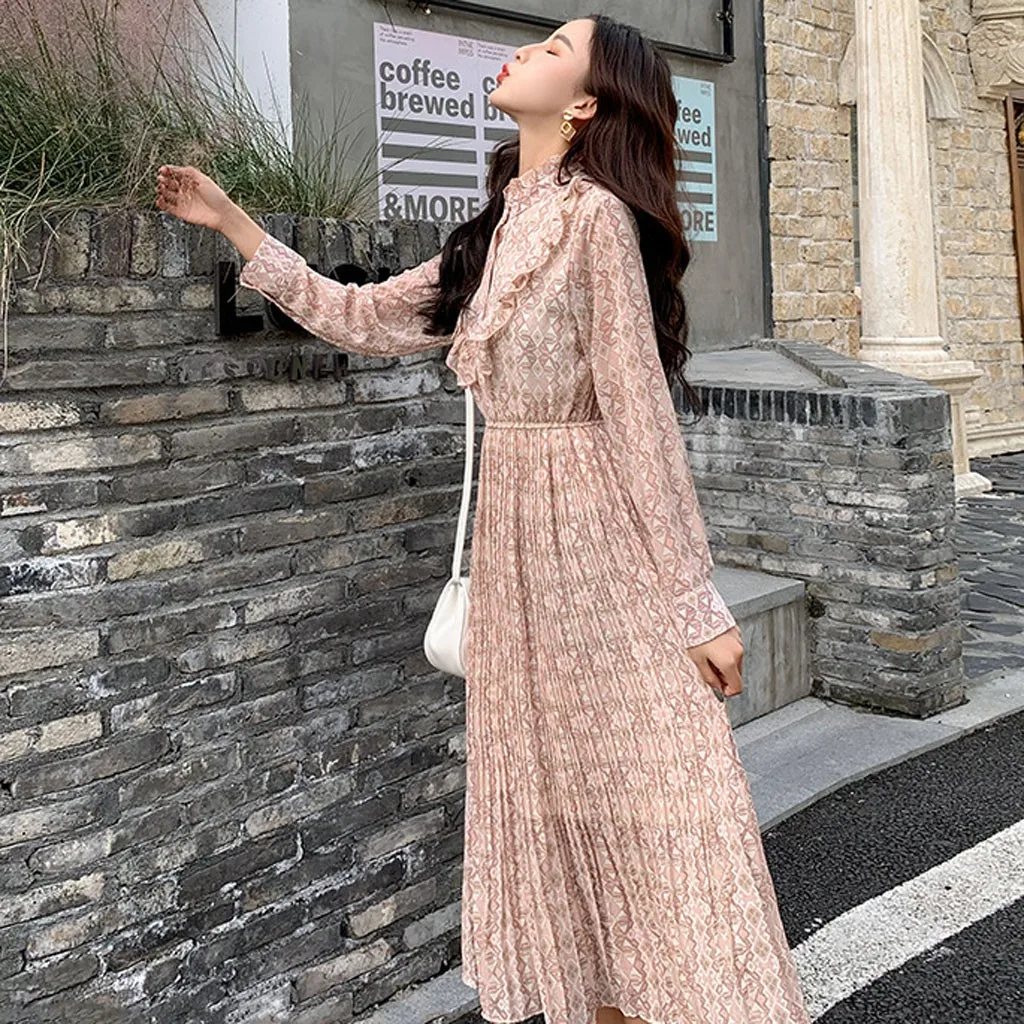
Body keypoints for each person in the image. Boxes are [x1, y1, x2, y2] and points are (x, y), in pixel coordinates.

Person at [156, 13, 811, 1024]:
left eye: (553, 49)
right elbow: (363, 316)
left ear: (585, 103)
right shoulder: (498, 226)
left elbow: (640, 416)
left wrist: (696, 604)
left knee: (655, 792)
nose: (524, 52)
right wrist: (235, 223)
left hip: (598, 536)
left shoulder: (596, 219)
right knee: (554, 798)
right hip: (513, 543)